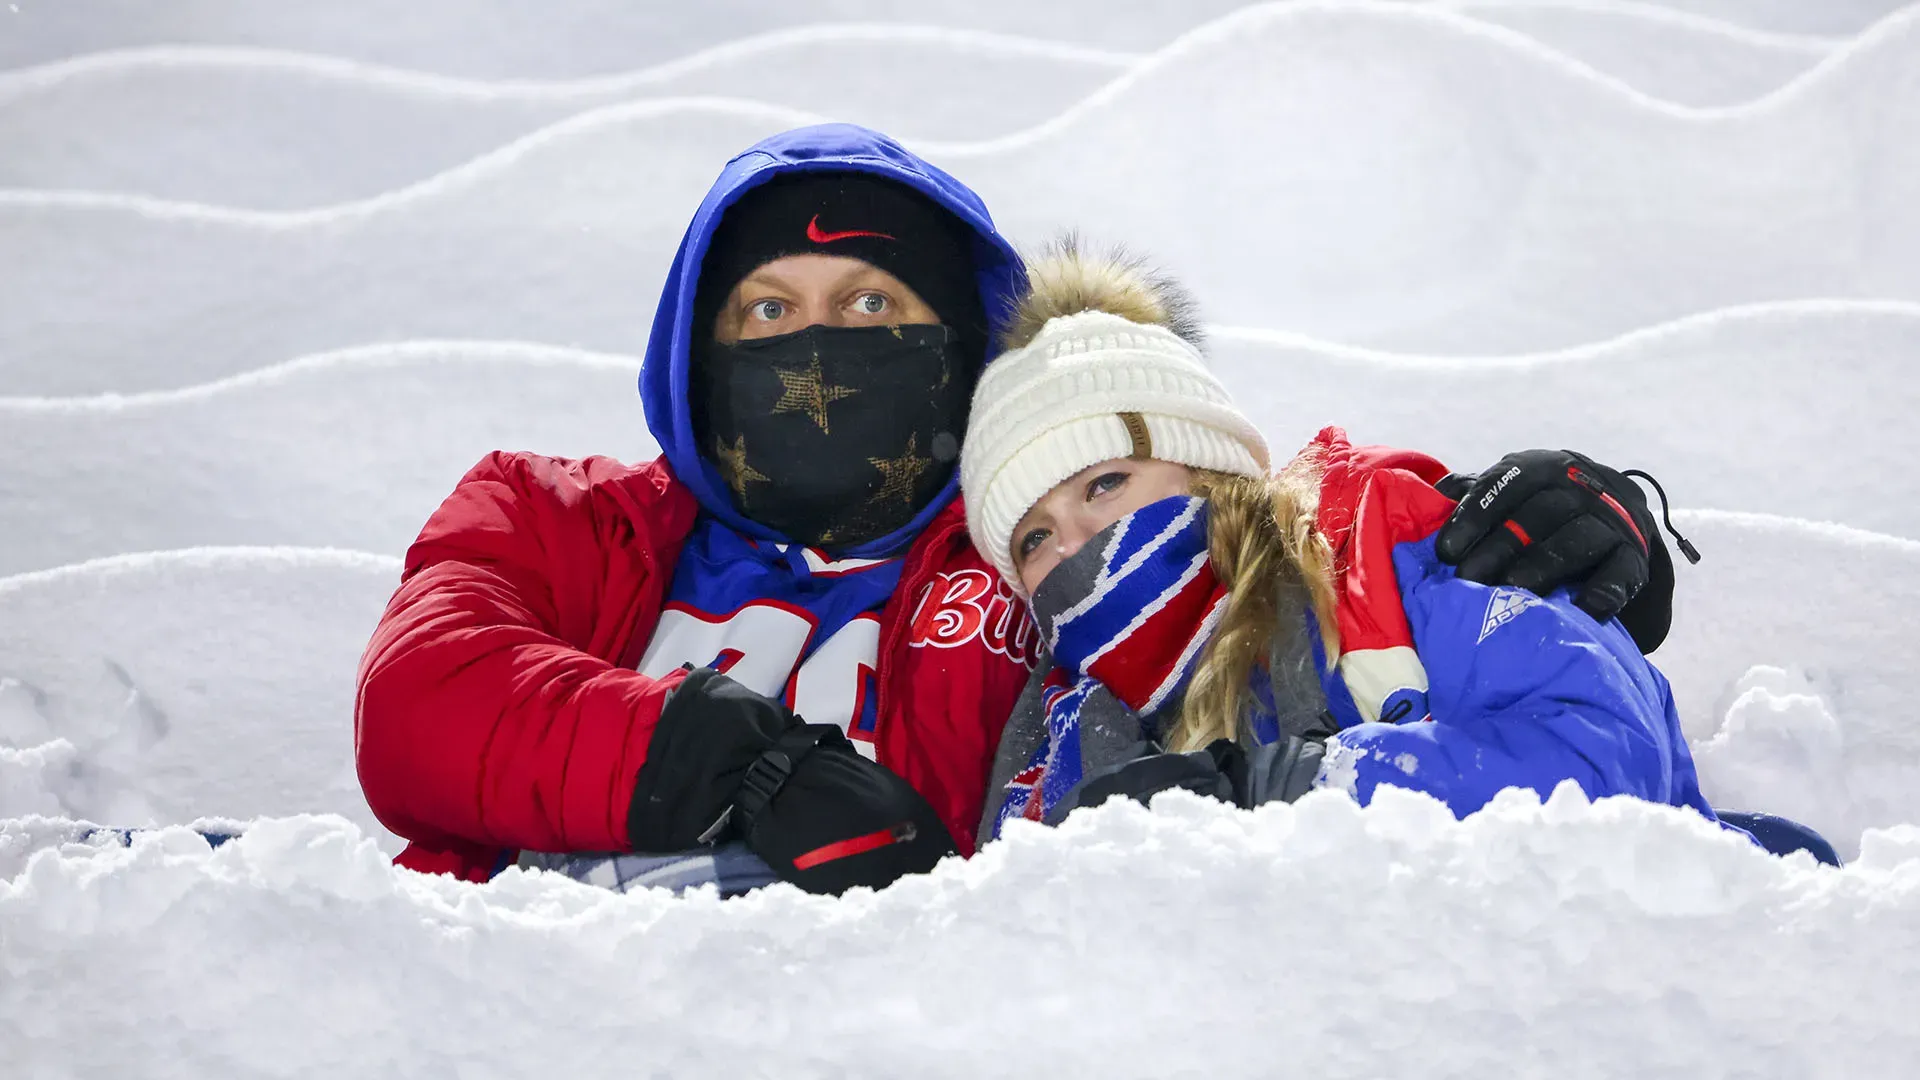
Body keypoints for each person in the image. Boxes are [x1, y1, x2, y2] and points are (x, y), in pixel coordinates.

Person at [353, 125, 1702, 898]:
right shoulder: (553, 517)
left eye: (873, 308)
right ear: (690, 353)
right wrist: (738, 764)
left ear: (957, 358)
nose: (816, 352)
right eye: (765, 312)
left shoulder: (1015, 561)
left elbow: (1233, 513)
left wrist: (1505, 518)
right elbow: (419, 705)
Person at [961, 239, 1838, 866]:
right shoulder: (1069, 732)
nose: (1078, 544)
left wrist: (1296, 789)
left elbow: (1607, 766)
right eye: (1033, 538)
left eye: (1105, 484)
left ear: (1207, 469)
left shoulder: (1392, 555)